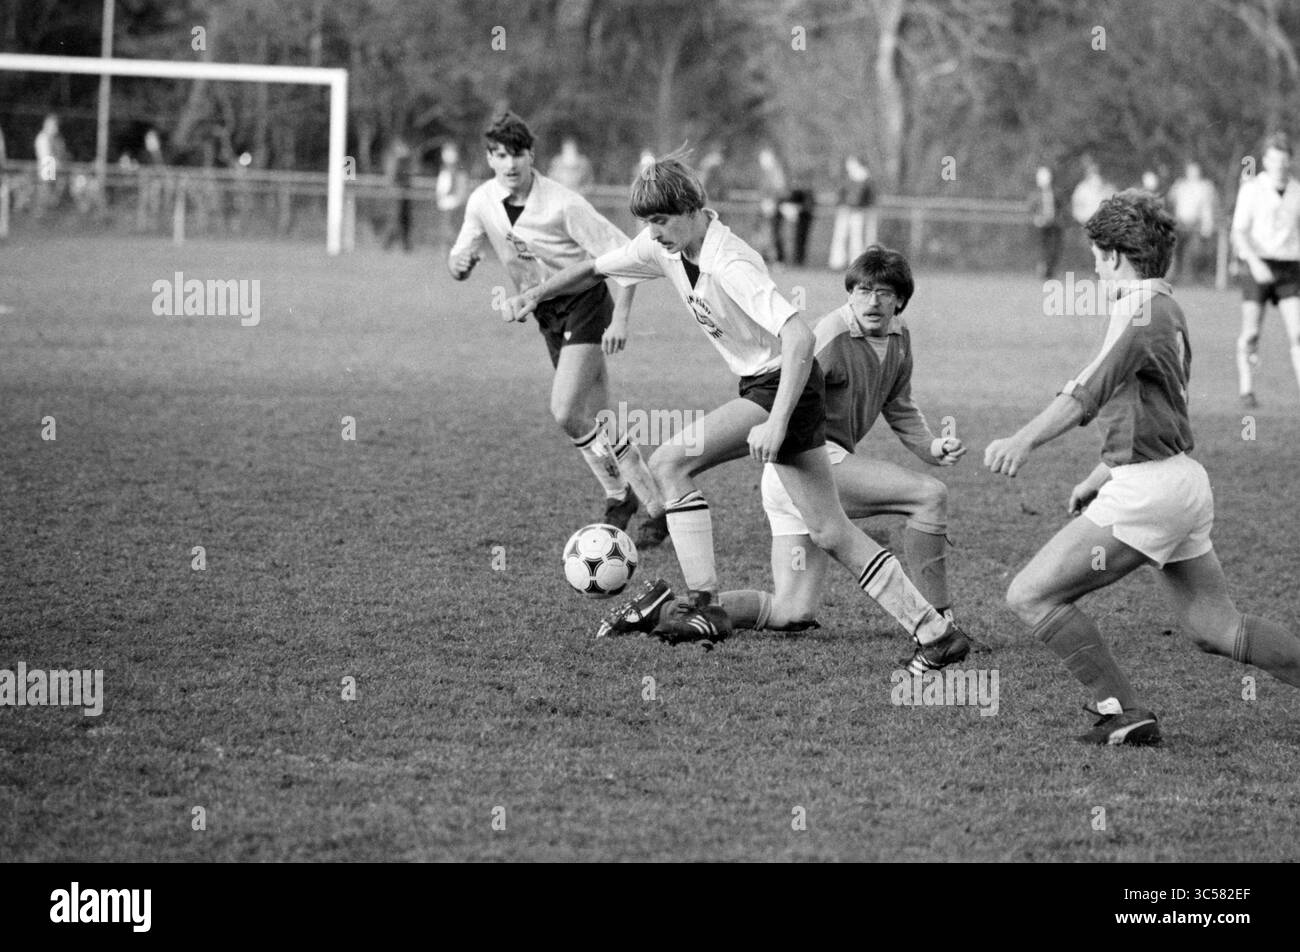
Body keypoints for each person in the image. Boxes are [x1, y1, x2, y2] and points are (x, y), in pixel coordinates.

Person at [505, 154, 971, 670]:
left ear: (691, 208)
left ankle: (705, 605)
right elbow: (595, 267)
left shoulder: (732, 262)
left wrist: (776, 420)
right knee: (830, 531)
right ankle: (933, 630)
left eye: (660, 221)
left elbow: (798, 337)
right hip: (771, 386)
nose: (652, 232)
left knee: (669, 462)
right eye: (647, 223)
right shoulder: (665, 245)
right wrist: (535, 294)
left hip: (783, 385)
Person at [984, 189, 1300, 746]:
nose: (1093, 269)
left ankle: (1124, 712)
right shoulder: (1169, 309)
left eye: (1095, 258)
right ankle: (1127, 713)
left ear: (1112, 256)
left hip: (1151, 491)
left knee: (1030, 594)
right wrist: (1101, 473)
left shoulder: (1139, 313)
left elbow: (1085, 394)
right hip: (1177, 478)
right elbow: (1152, 407)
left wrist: (1022, 439)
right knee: (1214, 627)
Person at [602, 245, 980, 646]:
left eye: (884, 293)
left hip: (803, 476)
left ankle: (665, 608)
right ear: (849, 293)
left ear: (900, 300)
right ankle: (942, 624)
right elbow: (781, 384)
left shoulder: (900, 339)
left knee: (791, 612)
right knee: (928, 496)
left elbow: (899, 405)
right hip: (809, 465)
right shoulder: (830, 336)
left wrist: (931, 446)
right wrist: (778, 441)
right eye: (863, 290)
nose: (872, 300)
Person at [448, 112, 665, 540]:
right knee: (602, 416)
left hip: (585, 302)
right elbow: (460, 258)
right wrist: (459, 264)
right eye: (501, 155)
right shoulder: (481, 202)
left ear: (533, 156)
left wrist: (620, 318)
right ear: (489, 158)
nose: (511, 165)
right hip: (547, 314)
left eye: (519, 155)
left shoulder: (563, 203)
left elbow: (630, 256)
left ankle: (618, 494)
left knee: (566, 411)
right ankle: (659, 510)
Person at [1230, 132, 1300, 408]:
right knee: (1252, 333)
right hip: (1257, 263)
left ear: (1290, 161)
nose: (1279, 166)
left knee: (1297, 332)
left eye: (1284, 161)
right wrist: (1254, 262)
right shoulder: (1252, 189)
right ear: (1266, 161)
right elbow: (1238, 232)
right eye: (1274, 160)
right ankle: (1246, 390)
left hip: (1289, 266)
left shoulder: (1296, 191)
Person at [1167, 160, 1217, 284]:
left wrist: (1207, 224)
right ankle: (1170, 277)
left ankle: (1189, 279)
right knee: (1172, 250)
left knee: (1193, 253)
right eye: (1190, 171)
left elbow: (1208, 208)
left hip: (1195, 224)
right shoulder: (1180, 185)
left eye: (1195, 171)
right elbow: (1170, 200)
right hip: (1179, 223)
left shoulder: (1205, 186)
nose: (1193, 173)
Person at [829, 156, 876, 271]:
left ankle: (856, 262)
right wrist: (841, 205)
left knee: (857, 238)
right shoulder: (847, 178)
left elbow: (868, 198)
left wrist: (860, 207)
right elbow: (840, 194)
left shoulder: (865, 178)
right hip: (845, 212)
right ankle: (837, 263)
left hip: (858, 213)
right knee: (840, 237)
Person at [1028, 164, 1064, 280]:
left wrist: (1059, 219)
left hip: (1054, 225)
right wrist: (1037, 218)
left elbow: (1061, 208)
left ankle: (1050, 270)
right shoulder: (1035, 195)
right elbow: (1031, 210)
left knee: (1054, 249)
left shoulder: (1056, 193)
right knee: (1044, 249)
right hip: (1041, 226)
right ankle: (1044, 271)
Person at [434, 142, 470, 253]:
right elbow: (441, 188)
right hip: (446, 202)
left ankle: (455, 248)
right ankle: (447, 248)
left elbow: (460, 187)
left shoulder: (459, 172)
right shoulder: (445, 171)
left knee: (452, 227)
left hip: (453, 202)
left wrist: (460, 198)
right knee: (447, 227)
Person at [382, 135, 415, 252]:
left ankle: (403, 245)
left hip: (403, 193)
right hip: (397, 194)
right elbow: (391, 177)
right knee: (395, 219)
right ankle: (389, 244)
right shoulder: (395, 160)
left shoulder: (404, 160)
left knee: (403, 219)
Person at [757, 147, 788, 264]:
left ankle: (778, 260)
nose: (762, 161)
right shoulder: (765, 173)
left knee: (775, 234)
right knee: (766, 234)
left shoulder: (775, 172)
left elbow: (780, 190)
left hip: (773, 207)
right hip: (766, 207)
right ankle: (767, 258)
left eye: (764, 158)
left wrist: (772, 202)